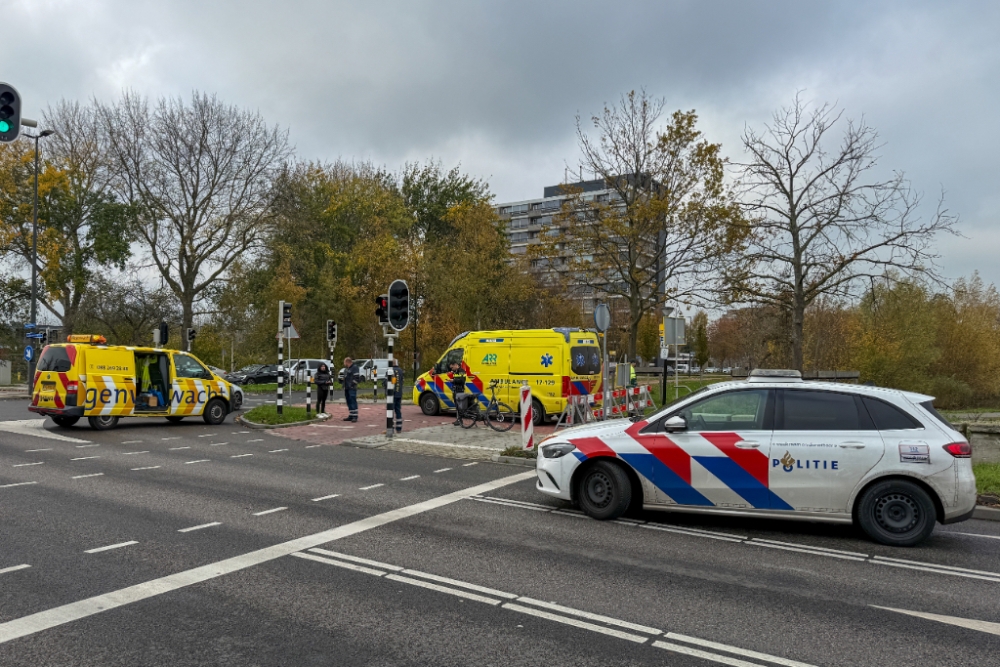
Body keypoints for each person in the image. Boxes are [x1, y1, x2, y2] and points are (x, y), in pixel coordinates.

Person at [341, 357, 360, 422]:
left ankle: (355, 416)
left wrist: (352, 385)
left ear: (347, 362)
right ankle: (351, 414)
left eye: (344, 363)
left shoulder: (354, 368)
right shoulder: (347, 369)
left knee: (352, 400)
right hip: (347, 388)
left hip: (351, 388)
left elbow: (357, 377)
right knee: (348, 401)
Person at [449, 360, 466, 426]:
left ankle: (460, 420)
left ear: (456, 365)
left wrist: (453, 380)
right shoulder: (456, 371)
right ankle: (459, 419)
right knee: (457, 406)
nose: (452, 369)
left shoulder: (461, 371)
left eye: (452, 367)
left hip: (459, 390)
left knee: (459, 406)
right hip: (456, 390)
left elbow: (462, 381)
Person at [391, 359, 404, 433]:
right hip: (399, 393)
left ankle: (391, 428)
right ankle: (399, 428)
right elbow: (402, 381)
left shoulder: (390, 371)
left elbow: (390, 383)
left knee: (391, 411)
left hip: (393, 394)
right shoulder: (400, 370)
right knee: (398, 410)